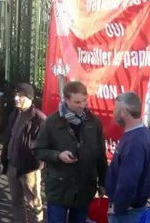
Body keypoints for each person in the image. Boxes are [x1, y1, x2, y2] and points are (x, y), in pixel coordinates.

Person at [33, 81, 108, 223]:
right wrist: (58, 155)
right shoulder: (52, 122)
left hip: (84, 189)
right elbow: (38, 150)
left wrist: (103, 182)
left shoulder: (94, 123)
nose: (82, 105)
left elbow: (101, 156)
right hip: (59, 190)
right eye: (77, 102)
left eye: (85, 100)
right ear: (66, 100)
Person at [1, 83, 46, 223]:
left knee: (34, 204)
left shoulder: (39, 119)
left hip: (29, 170)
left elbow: (44, 146)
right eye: (16, 95)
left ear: (30, 98)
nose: (16, 98)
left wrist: (35, 165)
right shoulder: (14, 114)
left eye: (21, 96)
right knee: (16, 202)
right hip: (12, 166)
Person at [106, 92, 150, 222]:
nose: (114, 113)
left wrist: (118, 207)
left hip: (127, 213)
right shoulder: (142, 134)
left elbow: (128, 182)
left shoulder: (134, 142)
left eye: (116, 109)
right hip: (134, 209)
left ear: (124, 111)